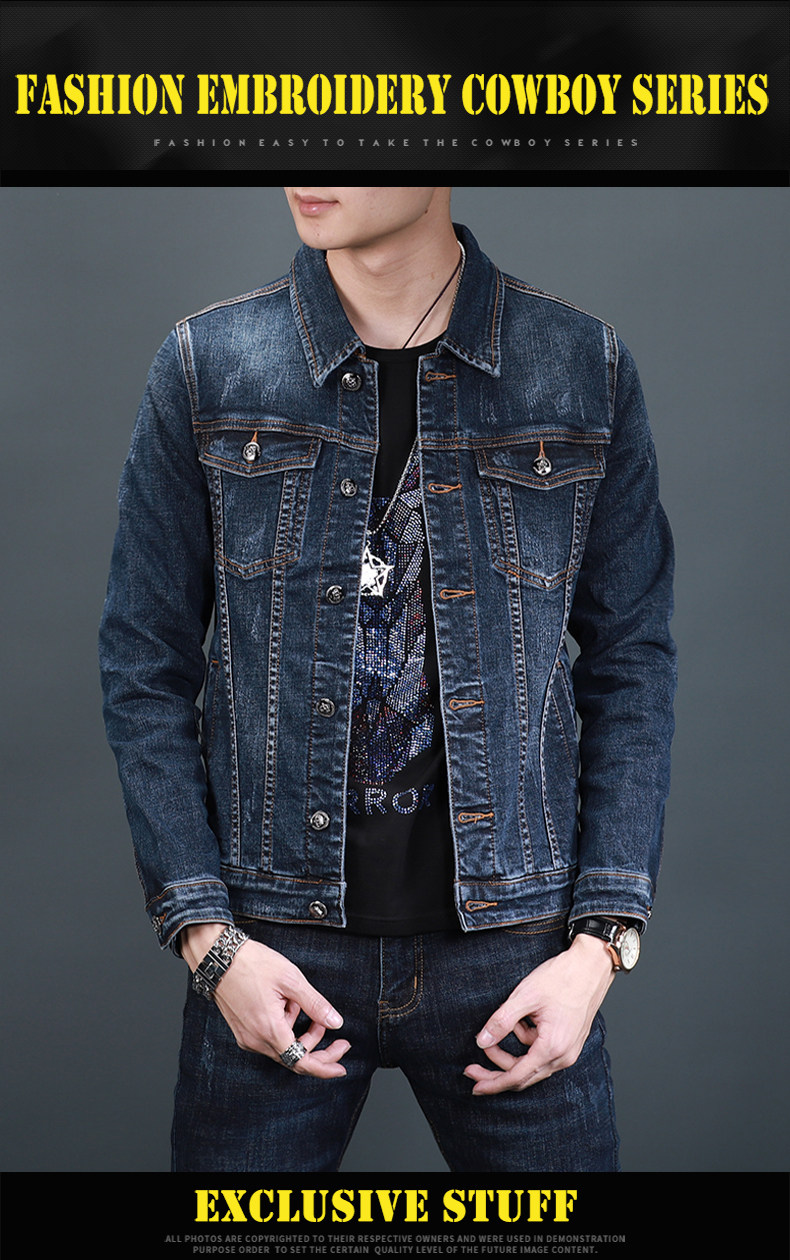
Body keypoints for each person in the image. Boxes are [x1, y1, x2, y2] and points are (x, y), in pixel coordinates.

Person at [99, 187, 676, 1172]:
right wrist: (209, 943)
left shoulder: (581, 366)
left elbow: (632, 665)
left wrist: (598, 949)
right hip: (275, 945)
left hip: (515, 952)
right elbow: (143, 667)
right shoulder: (209, 365)